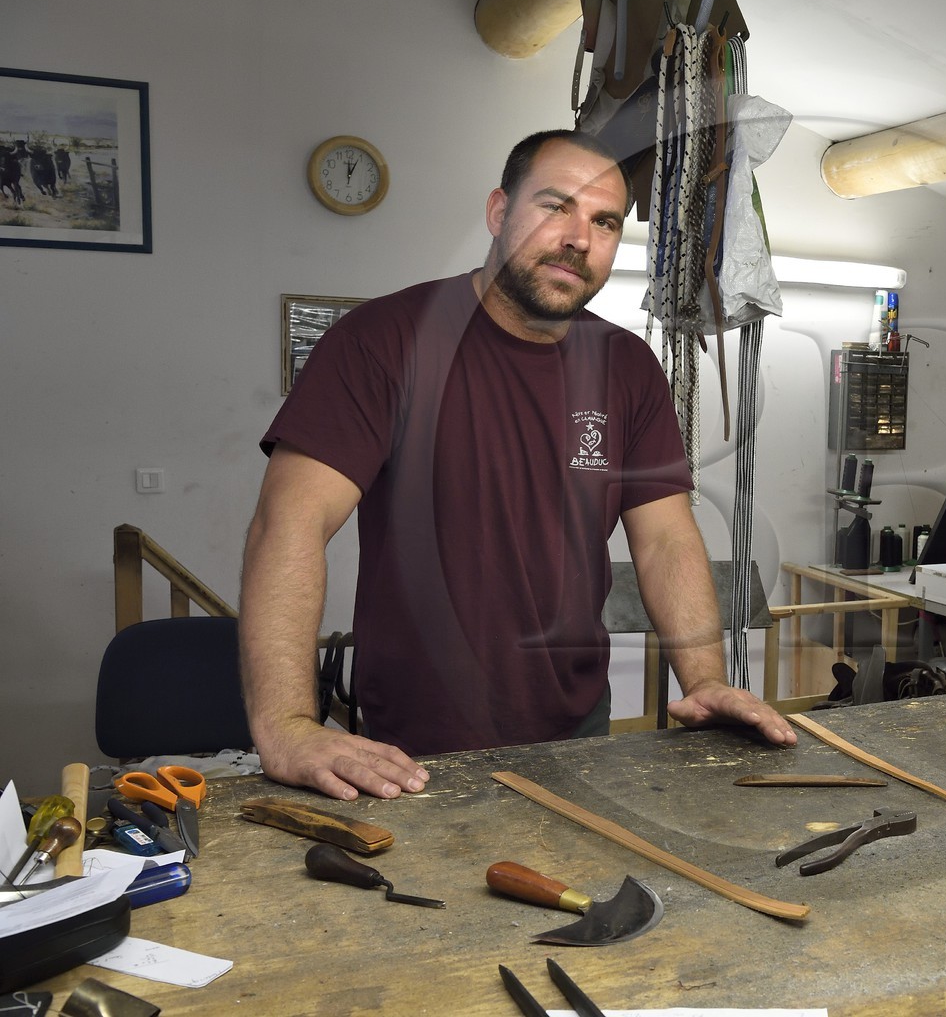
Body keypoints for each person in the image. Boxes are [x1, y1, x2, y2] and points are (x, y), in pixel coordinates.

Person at [240, 129, 796, 802]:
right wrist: (288, 726)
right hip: (410, 745)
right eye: (555, 206)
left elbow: (667, 538)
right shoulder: (384, 342)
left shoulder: (626, 369)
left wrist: (705, 680)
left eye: (605, 221)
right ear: (500, 213)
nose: (578, 237)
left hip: (575, 728)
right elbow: (289, 524)